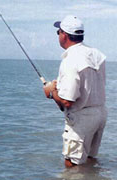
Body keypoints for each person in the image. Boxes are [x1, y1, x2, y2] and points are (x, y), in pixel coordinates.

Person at [43, 15, 107, 167]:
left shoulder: (70, 60)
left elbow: (67, 101)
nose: (58, 35)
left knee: (72, 165)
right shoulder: (96, 54)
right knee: (90, 159)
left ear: (64, 35)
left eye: (58, 32)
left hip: (82, 119)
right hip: (100, 113)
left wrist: (51, 92)